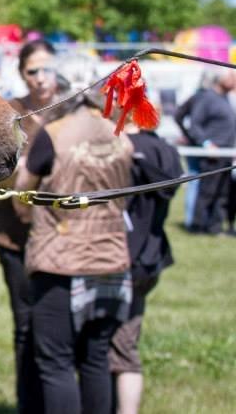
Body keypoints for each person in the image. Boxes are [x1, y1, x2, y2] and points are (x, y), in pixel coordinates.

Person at [17, 58, 134, 414]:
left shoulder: (54, 134)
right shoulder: (120, 133)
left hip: (60, 262)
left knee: (56, 362)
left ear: (65, 90)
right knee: (96, 357)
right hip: (111, 259)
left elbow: (24, 192)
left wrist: (28, 214)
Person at [0, 39, 61, 414]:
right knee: (26, 325)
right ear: (22, 74)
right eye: (33, 70)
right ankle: (28, 406)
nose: (41, 78)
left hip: (64, 239)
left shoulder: (70, 110)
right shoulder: (9, 113)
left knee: (61, 329)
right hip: (15, 234)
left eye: (47, 68)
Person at [110, 121, 182, 414]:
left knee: (115, 348)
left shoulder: (115, 147)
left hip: (115, 258)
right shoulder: (165, 149)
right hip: (149, 259)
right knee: (124, 341)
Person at [186, 70, 236, 235]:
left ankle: (215, 227)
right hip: (212, 154)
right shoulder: (207, 97)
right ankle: (197, 226)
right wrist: (207, 144)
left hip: (226, 154)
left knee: (222, 193)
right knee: (207, 192)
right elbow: (194, 124)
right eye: (231, 77)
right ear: (221, 78)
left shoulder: (225, 99)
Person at [174, 73, 212, 228]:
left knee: (195, 180)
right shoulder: (201, 98)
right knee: (194, 180)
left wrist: (186, 133)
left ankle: (195, 220)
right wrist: (187, 134)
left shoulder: (195, 97)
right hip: (199, 145)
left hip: (197, 143)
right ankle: (192, 221)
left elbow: (179, 115)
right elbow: (180, 116)